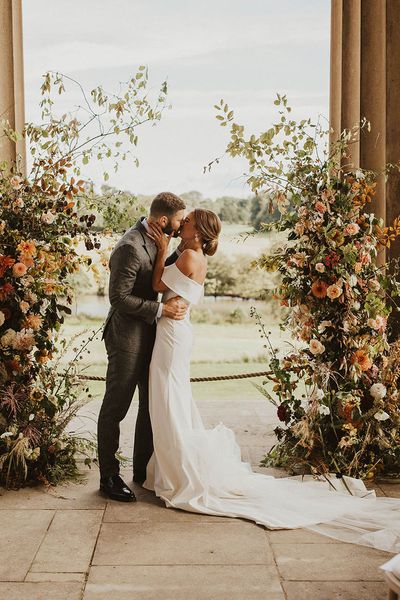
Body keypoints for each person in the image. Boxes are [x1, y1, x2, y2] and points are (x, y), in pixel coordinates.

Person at [143, 208, 400, 553]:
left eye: (187, 221)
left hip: (172, 333)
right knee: (171, 398)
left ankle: (180, 473)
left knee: (169, 399)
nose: (181, 223)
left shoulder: (189, 254)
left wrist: (161, 250)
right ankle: (171, 467)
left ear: (198, 231)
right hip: (176, 331)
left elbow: (158, 284)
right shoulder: (194, 253)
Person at [97, 192, 187, 502]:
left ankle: (142, 471)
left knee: (151, 404)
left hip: (150, 334)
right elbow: (119, 298)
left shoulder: (160, 240)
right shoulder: (129, 247)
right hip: (125, 337)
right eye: (178, 222)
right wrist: (162, 310)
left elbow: (159, 275)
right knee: (116, 406)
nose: (181, 225)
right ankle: (108, 476)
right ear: (163, 221)